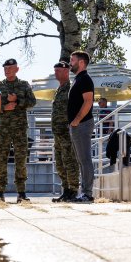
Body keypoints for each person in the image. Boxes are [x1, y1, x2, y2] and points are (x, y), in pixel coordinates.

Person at [0, 58, 37, 203]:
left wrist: (17, 101)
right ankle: (0, 192)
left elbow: (32, 102)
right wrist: (4, 108)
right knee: (1, 159)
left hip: (19, 129)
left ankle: (21, 192)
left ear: (17, 69)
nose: (7, 70)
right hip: (3, 129)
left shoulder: (24, 85)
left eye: (10, 68)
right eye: (5, 68)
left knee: (21, 159)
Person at [67, 50, 95, 203]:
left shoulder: (84, 79)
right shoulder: (78, 79)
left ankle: (87, 193)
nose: (70, 63)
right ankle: (84, 192)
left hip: (82, 124)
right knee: (81, 159)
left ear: (81, 62)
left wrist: (76, 120)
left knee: (85, 159)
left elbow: (88, 101)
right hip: (78, 125)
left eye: (72, 60)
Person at [51, 61, 79, 203]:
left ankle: (73, 190)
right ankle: (66, 189)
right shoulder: (59, 89)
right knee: (60, 163)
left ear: (66, 71)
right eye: (55, 70)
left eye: (58, 71)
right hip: (57, 133)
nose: (56, 73)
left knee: (70, 161)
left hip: (67, 132)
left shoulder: (70, 88)